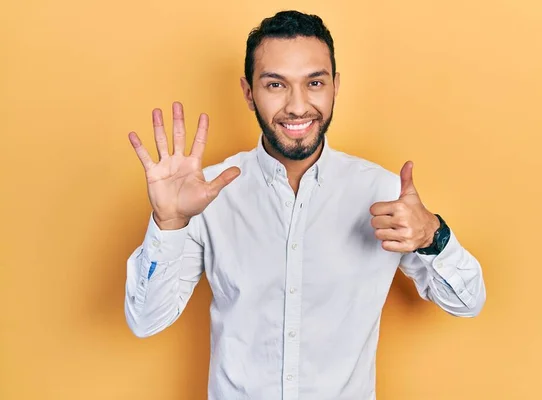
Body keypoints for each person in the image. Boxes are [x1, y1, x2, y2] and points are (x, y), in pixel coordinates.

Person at [124, 10, 486, 400]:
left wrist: (433, 235)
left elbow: (467, 302)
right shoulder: (206, 194)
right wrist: (168, 222)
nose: (298, 106)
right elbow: (145, 321)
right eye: (276, 84)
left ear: (335, 86)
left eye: (314, 82)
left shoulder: (382, 190)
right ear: (249, 92)